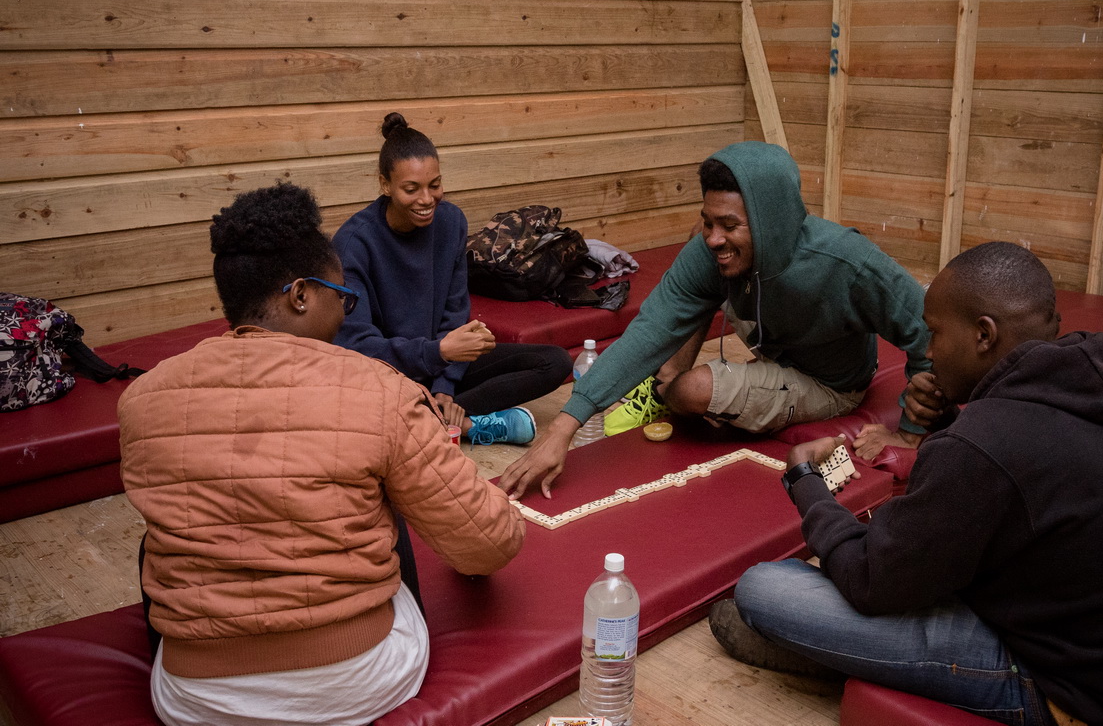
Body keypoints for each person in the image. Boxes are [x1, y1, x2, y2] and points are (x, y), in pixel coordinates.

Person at [709, 241, 1103, 726]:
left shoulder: (986, 444)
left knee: (766, 589)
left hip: (1084, 694)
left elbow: (871, 581)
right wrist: (948, 424)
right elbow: (1011, 491)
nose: (926, 351)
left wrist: (805, 480)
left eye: (936, 333)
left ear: (983, 335)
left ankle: (845, 661)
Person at [119, 182, 525, 726]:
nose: (344, 311)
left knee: (161, 535)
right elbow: (487, 544)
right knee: (387, 498)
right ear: (301, 294)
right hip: (352, 680)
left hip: (195, 701)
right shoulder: (379, 390)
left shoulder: (142, 399)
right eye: (343, 297)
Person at [499, 140, 931, 499]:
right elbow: (652, 328)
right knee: (703, 259)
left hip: (830, 382)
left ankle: (680, 386)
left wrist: (908, 435)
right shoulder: (717, 249)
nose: (715, 236)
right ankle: (662, 383)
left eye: (729, 224)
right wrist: (563, 426)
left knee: (691, 392)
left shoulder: (846, 262)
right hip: (768, 332)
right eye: (709, 220)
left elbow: (928, 334)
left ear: (772, 222)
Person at [333, 113, 573, 446]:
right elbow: (358, 348)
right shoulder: (353, 244)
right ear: (385, 185)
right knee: (363, 403)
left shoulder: (451, 222)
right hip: (388, 374)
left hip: (441, 360)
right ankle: (467, 425)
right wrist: (439, 353)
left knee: (554, 361)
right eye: (411, 188)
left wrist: (445, 385)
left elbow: (455, 312)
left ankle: (439, 417)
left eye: (435, 185)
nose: (427, 199)